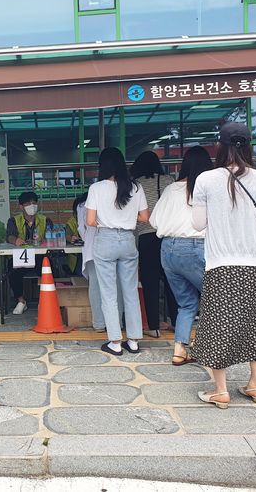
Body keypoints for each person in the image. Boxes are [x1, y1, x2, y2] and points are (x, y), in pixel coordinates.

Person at [191, 122, 256, 409]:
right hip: (254, 263)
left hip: (220, 263)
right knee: (254, 323)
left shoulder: (205, 179)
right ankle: (255, 385)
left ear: (220, 146)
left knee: (218, 324)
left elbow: (198, 224)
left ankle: (220, 389)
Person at [150, 146, 213, 365]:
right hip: (198, 247)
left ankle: (179, 350)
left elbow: (154, 221)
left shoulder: (171, 189)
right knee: (214, 298)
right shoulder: (209, 190)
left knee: (186, 303)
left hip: (168, 250)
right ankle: (201, 345)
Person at [86, 147, 150, 356]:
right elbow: (144, 217)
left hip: (106, 240)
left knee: (109, 293)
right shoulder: (135, 187)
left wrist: (107, 219)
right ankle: (133, 340)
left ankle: (115, 341)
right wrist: (126, 218)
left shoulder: (96, 188)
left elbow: (90, 221)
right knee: (130, 291)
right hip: (128, 240)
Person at [131, 150, 178, 337]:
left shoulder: (136, 185)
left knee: (149, 284)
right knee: (172, 283)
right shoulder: (168, 181)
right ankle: (176, 321)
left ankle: (153, 326)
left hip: (146, 237)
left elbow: (135, 217)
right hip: (166, 236)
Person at [5, 191, 53, 315]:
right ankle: (21, 301)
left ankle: (48, 300)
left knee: (51, 269)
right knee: (12, 269)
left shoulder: (45, 220)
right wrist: (15, 240)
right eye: (28, 203)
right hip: (21, 258)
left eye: (34, 202)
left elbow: (52, 236)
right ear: (21, 206)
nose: (32, 205)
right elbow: (9, 236)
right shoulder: (13, 221)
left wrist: (46, 240)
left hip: (39, 257)